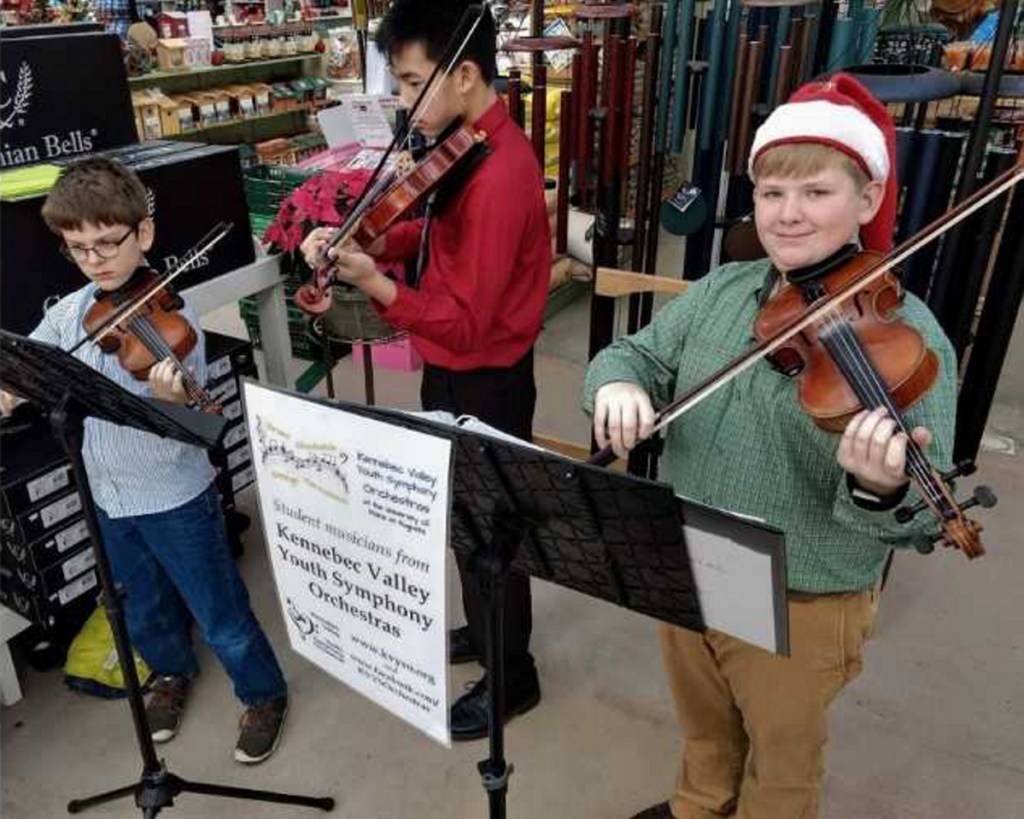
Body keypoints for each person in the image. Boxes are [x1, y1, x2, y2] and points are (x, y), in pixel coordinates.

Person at [583, 74, 958, 819]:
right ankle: (698, 806)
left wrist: (878, 488)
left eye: (816, 193)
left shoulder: (909, 338)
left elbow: (923, 509)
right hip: (690, 560)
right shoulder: (724, 288)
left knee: (783, 764)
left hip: (803, 594)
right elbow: (636, 356)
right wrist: (616, 386)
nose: (788, 216)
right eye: (771, 194)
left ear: (869, 200)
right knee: (705, 726)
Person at [299, 0, 549, 741]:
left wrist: (375, 285)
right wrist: (372, 246)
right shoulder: (465, 143)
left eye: (410, 83)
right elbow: (430, 230)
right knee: (464, 526)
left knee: (493, 537)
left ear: (465, 74)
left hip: (486, 379)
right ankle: (485, 629)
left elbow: (466, 320)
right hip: (453, 372)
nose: (402, 101)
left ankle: (515, 679)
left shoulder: (502, 174)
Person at [0, 157, 289, 765]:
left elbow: (188, 414)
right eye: (79, 249)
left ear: (145, 235)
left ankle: (262, 693)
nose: (97, 260)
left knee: (218, 607)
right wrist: (11, 390)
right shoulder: (70, 312)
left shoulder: (176, 325)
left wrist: (172, 395)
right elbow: (34, 364)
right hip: (106, 493)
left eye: (109, 242)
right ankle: (170, 673)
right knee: (141, 601)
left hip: (175, 496)